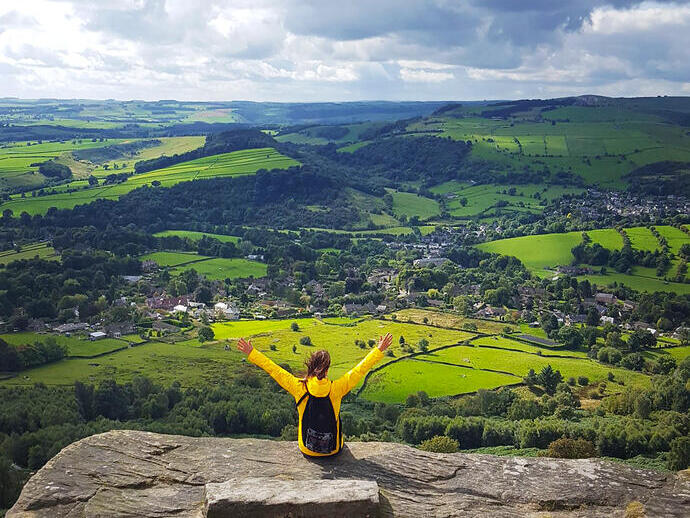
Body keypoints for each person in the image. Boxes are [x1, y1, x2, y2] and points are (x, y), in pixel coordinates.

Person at [237, 332, 393, 457]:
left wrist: (252, 353)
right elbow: (360, 369)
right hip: (333, 450)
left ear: (310, 366)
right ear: (327, 369)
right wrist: (378, 350)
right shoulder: (337, 388)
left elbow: (274, 370)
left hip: (306, 449)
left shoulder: (299, 387)